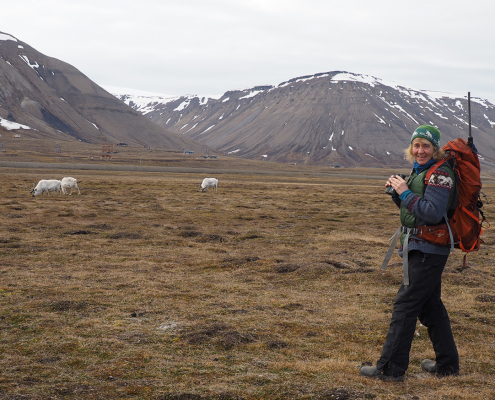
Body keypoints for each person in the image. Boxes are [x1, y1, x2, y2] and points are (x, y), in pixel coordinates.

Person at [360, 125, 459, 382]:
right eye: (416, 145)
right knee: (430, 306)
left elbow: (432, 213)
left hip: (429, 249)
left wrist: (404, 191)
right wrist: (398, 194)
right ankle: (447, 365)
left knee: (405, 306)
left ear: (435, 148)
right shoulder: (422, 171)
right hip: (419, 246)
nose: (420, 150)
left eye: (426, 146)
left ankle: (390, 370)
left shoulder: (441, 175)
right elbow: (414, 210)